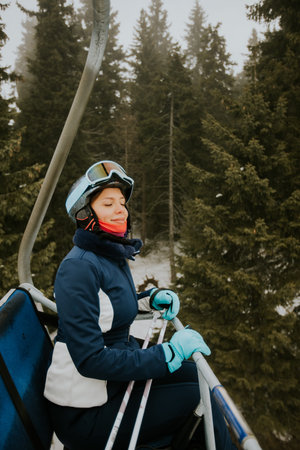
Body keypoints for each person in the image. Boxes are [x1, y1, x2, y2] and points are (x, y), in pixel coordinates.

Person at [44, 160, 236, 450]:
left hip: (115, 382)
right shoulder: (78, 268)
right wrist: (166, 353)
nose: (121, 209)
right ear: (86, 214)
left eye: (121, 202)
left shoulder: (109, 255)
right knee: (201, 398)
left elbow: (109, 307)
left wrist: (150, 299)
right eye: (108, 203)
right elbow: (90, 360)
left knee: (200, 378)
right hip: (86, 411)